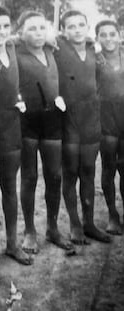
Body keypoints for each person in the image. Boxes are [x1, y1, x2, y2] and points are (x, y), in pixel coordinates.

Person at [14, 11, 73, 254]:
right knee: (29, 177)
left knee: (55, 176)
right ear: (21, 33)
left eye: (42, 28)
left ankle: (53, 227)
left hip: (52, 121)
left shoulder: (52, 50)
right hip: (27, 122)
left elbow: (72, 38)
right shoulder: (15, 52)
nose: (38, 33)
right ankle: (29, 230)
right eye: (32, 29)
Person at [0, 6, 32, 265]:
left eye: (4, 26)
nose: (0, 31)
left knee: (9, 185)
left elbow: (42, 35)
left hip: (11, 125)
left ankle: (12, 243)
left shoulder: (13, 45)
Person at [54, 10, 111, 244]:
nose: (77, 29)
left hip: (91, 119)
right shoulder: (58, 47)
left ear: (87, 28)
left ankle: (89, 223)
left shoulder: (93, 49)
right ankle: (75, 224)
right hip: (69, 119)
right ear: (64, 30)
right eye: (71, 26)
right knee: (70, 172)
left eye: (81, 25)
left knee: (88, 170)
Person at [95, 20, 124, 235]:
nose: (108, 38)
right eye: (103, 34)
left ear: (119, 34)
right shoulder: (95, 59)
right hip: (106, 118)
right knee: (108, 168)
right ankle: (113, 215)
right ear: (97, 37)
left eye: (112, 33)